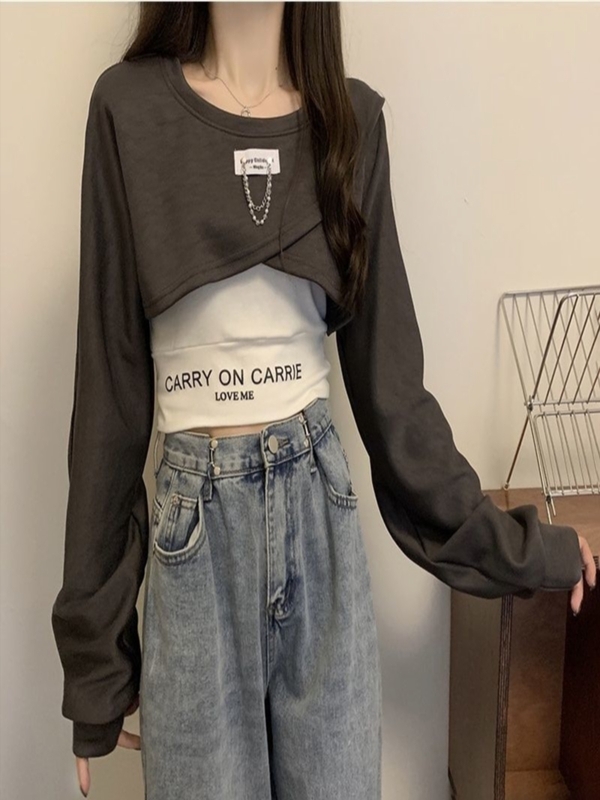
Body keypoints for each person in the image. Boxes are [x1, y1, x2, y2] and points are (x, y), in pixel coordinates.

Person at [51, 3, 597, 798]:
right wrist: (95, 670)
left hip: (319, 518)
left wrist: (524, 549)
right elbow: (108, 399)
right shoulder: (127, 110)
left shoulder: (351, 121)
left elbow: (393, 398)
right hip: (194, 545)